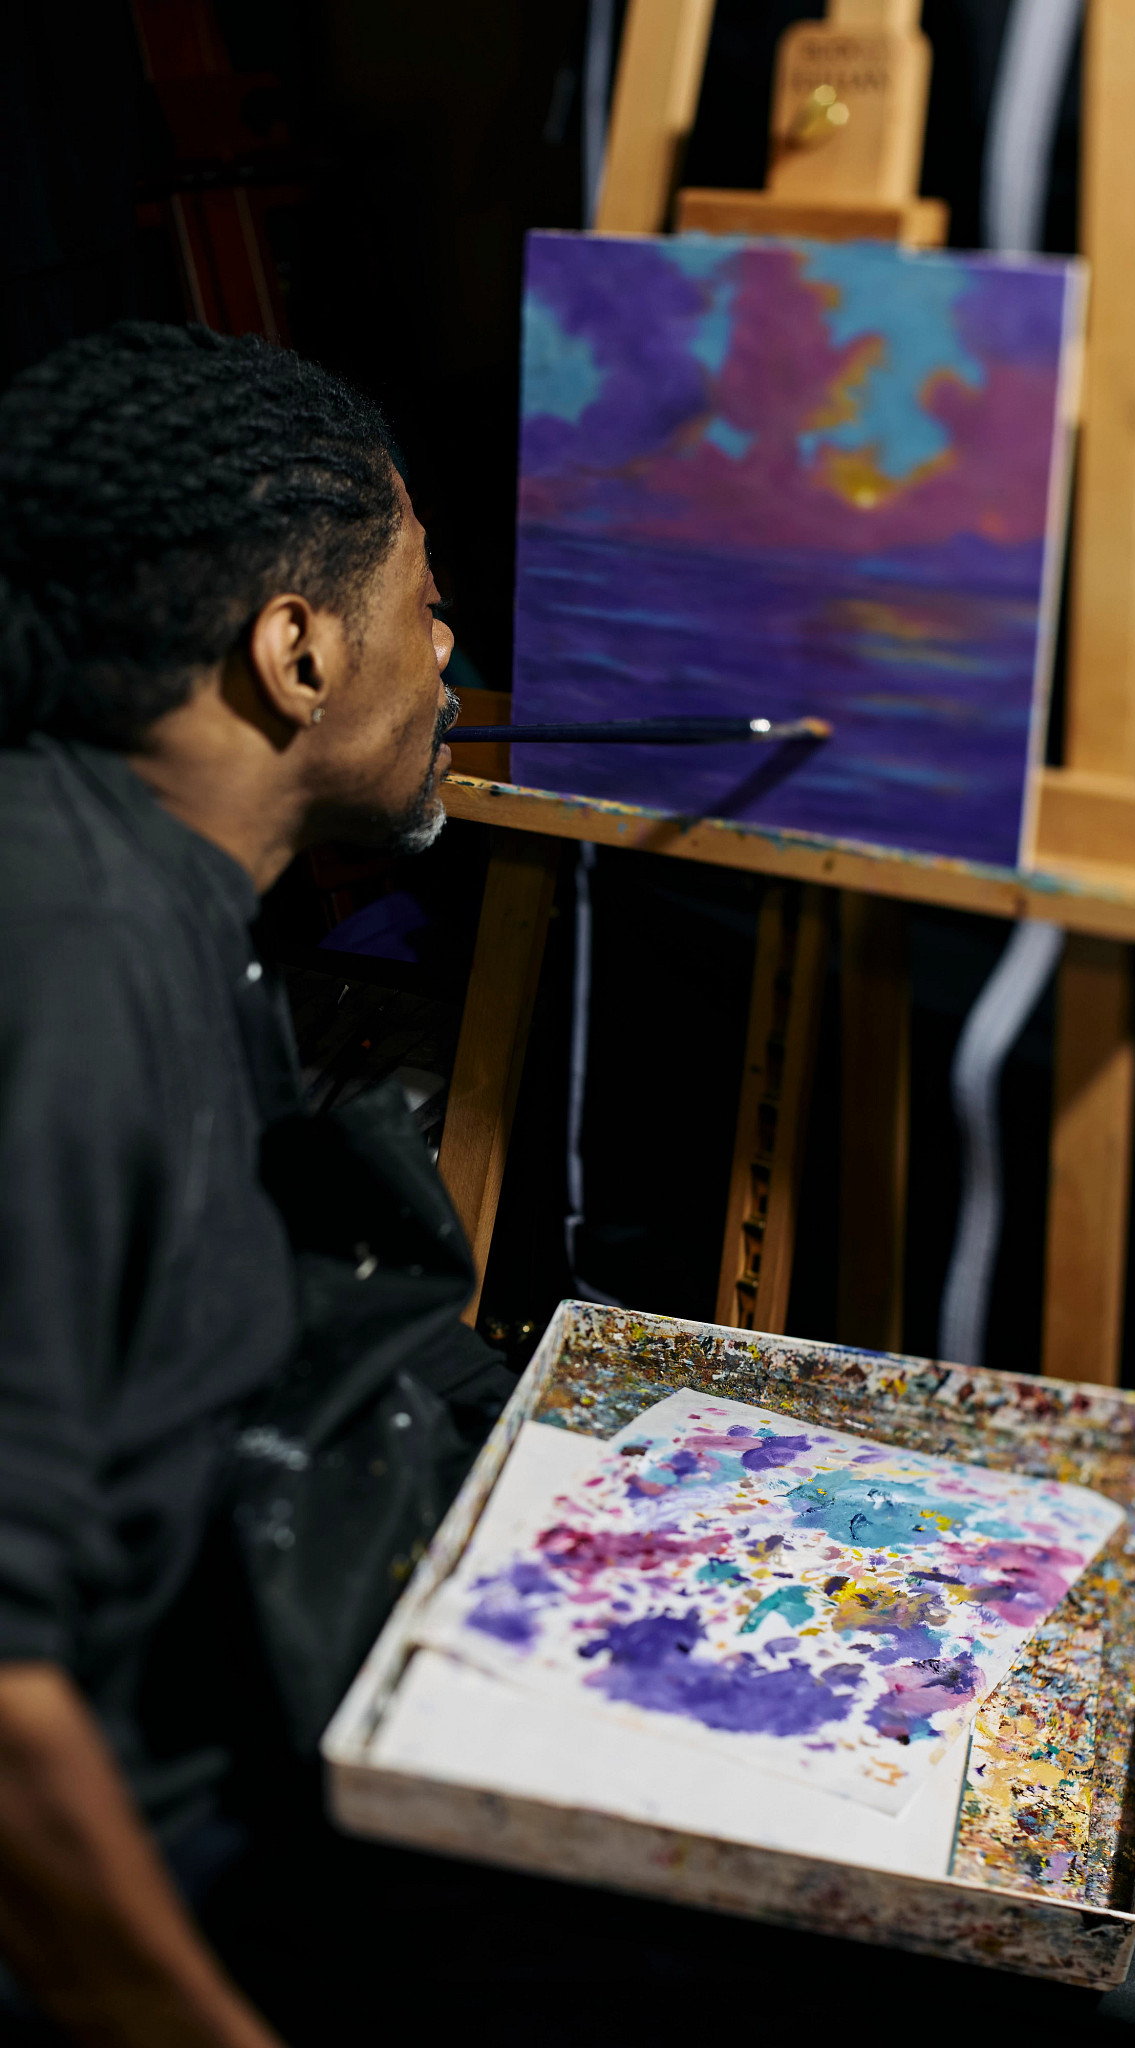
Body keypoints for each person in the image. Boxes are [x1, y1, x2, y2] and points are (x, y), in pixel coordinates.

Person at [0, 321, 508, 2045]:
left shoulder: (160, 892)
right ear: (296, 649)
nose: (452, 653)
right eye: (426, 602)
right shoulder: (65, 955)